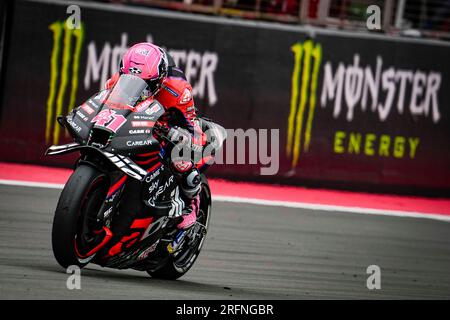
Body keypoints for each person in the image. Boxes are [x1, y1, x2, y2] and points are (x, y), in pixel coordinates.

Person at [105, 42, 207, 231]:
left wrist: (177, 135)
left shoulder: (178, 89)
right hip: (133, 125)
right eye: (130, 79)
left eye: (147, 84)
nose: (141, 90)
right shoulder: (116, 81)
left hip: (166, 127)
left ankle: (192, 203)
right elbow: (104, 107)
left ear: (160, 78)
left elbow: (194, 129)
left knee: (182, 158)